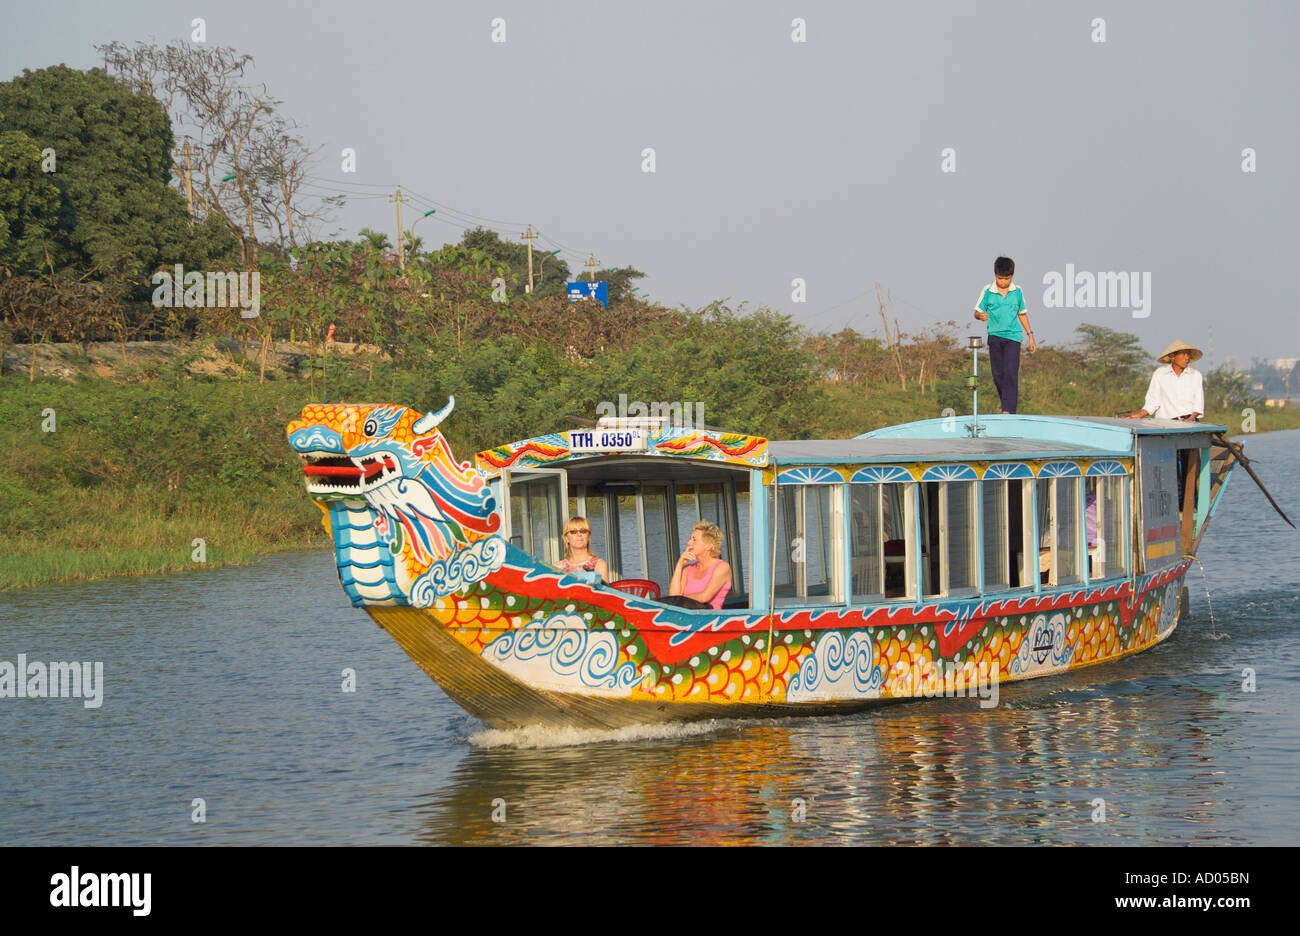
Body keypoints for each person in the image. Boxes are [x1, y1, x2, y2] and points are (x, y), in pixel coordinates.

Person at [973, 256, 1037, 414]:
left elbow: (1022, 314)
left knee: (1010, 373)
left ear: (1012, 276)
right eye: (1000, 278)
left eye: (1006, 278)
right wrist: (980, 316)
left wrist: (1030, 334)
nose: (1003, 282)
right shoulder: (987, 291)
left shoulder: (1018, 291)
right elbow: (977, 311)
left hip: (1013, 338)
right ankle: (1006, 404)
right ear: (995, 275)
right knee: (998, 375)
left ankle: (1008, 411)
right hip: (994, 337)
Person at [1127, 340, 1204, 422]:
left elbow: (1198, 405)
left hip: (1190, 424)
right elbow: (1153, 401)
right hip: (1165, 424)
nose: (1187, 358)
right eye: (1183, 354)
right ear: (1172, 356)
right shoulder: (1160, 374)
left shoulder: (1195, 375)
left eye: (1188, 354)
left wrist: (1191, 418)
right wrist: (1139, 415)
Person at [665, 521, 732, 610]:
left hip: (709, 619)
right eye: (690, 539)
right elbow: (673, 598)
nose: (689, 543)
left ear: (708, 546)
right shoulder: (687, 569)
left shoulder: (722, 567)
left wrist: (680, 598)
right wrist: (679, 564)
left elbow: (704, 597)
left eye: (694, 539)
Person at [558, 516, 609, 583]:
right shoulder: (558, 567)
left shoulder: (599, 564)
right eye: (573, 531)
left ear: (588, 537)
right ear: (566, 538)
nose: (579, 534)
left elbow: (604, 591)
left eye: (583, 531)